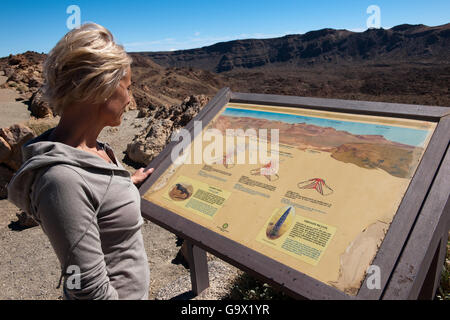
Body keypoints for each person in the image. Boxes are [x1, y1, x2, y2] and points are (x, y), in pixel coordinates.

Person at [7, 23, 153, 300]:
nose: (130, 100)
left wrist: (125, 182)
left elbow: (98, 195)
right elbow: (88, 291)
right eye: (127, 88)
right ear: (103, 88)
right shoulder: (62, 181)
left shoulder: (95, 151)